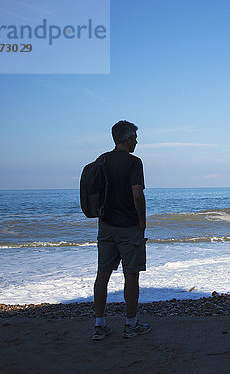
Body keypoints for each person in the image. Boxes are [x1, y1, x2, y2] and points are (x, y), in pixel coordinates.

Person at [91, 120, 151, 340]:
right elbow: (137, 194)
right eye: (135, 138)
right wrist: (142, 221)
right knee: (131, 275)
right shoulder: (134, 162)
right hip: (128, 227)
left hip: (105, 225)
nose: (136, 141)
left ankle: (99, 324)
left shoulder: (102, 160)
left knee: (102, 275)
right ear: (128, 139)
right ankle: (130, 324)